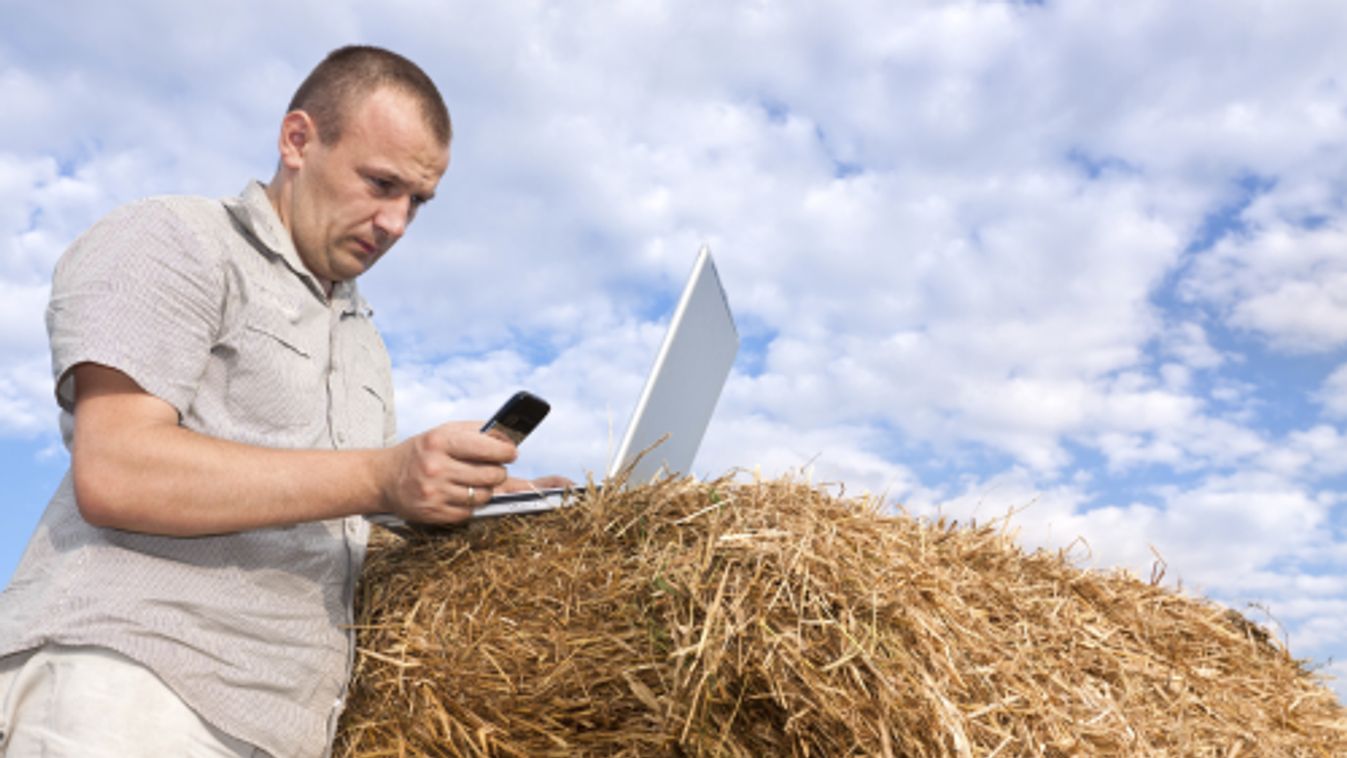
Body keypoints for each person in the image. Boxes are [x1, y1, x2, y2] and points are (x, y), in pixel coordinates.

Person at [0, 45, 564, 757]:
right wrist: (382, 475)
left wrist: (462, 496)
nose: (395, 222)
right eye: (380, 182)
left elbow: (323, 510)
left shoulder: (362, 341)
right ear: (298, 140)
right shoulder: (176, 239)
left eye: (416, 201)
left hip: (283, 728)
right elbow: (117, 469)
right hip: (134, 689)